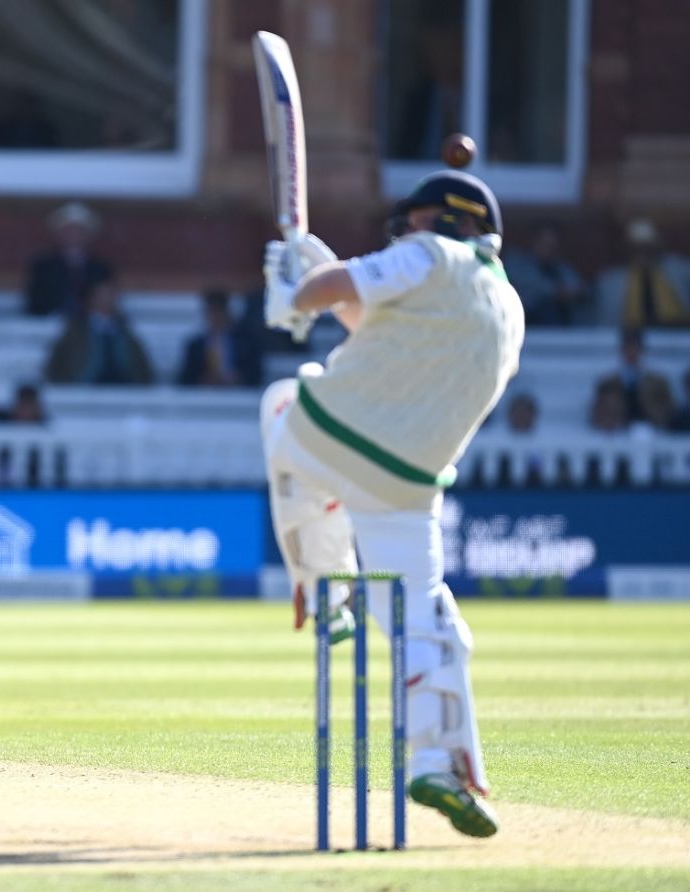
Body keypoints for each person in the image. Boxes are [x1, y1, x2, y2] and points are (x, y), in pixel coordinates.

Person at [260, 170, 523, 839]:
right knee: (423, 622)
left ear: (441, 220)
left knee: (281, 401)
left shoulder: (429, 252)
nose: (405, 232)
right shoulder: (508, 306)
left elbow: (334, 291)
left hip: (329, 435)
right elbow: (384, 326)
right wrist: (322, 271)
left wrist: (295, 293)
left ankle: (324, 591)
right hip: (406, 483)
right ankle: (435, 763)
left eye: (413, 222)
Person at [43, 279, 154, 385]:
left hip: (124, 384)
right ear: (91, 299)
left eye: (110, 295)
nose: (107, 300)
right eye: (102, 295)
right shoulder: (75, 331)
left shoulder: (125, 332)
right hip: (84, 384)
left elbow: (142, 366)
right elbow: (56, 364)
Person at [594, 219, 690, 328]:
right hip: (629, 333)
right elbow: (603, 320)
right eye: (636, 248)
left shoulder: (681, 270)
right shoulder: (610, 280)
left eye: (647, 247)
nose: (642, 253)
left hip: (679, 331)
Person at [23, 202, 114, 316]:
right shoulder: (43, 267)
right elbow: (35, 301)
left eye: (79, 231)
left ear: (88, 235)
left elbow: (107, 302)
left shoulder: (101, 267)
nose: (74, 235)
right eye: (69, 230)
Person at [502, 220, 588, 325]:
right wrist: (557, 292)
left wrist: (574, 292)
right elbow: (525, 283)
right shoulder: (516, 261)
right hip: (524, 321)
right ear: (533, 241)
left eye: (552, 246)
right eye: (544, 244)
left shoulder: (559, 267)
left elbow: (578, 286)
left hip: (558, 326)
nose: (548, 249)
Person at [177, 289, 262, 387]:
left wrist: (238, 378)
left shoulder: (247, 342)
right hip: (203, 393)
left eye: (219, 311)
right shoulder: (195, 346)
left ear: (227, 312)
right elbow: (185, 379)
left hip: (238, 392)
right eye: (211, 312)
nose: (215, 317)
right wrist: (203, 381)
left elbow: (256, 375)